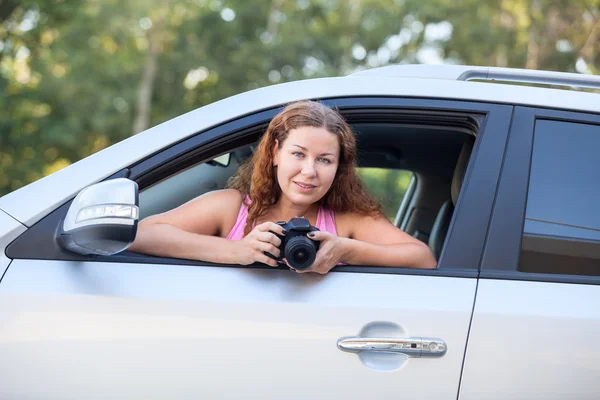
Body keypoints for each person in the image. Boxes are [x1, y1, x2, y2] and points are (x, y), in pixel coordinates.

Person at [129, 100, 437, 273]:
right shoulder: (232, 207)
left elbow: (423, 258)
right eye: (299, 154)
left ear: (338, 167)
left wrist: (346, 249)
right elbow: (141, 235)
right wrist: (237, 250)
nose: (309, 171)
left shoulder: (346, 219)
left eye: (325, 160)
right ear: (276, 153)